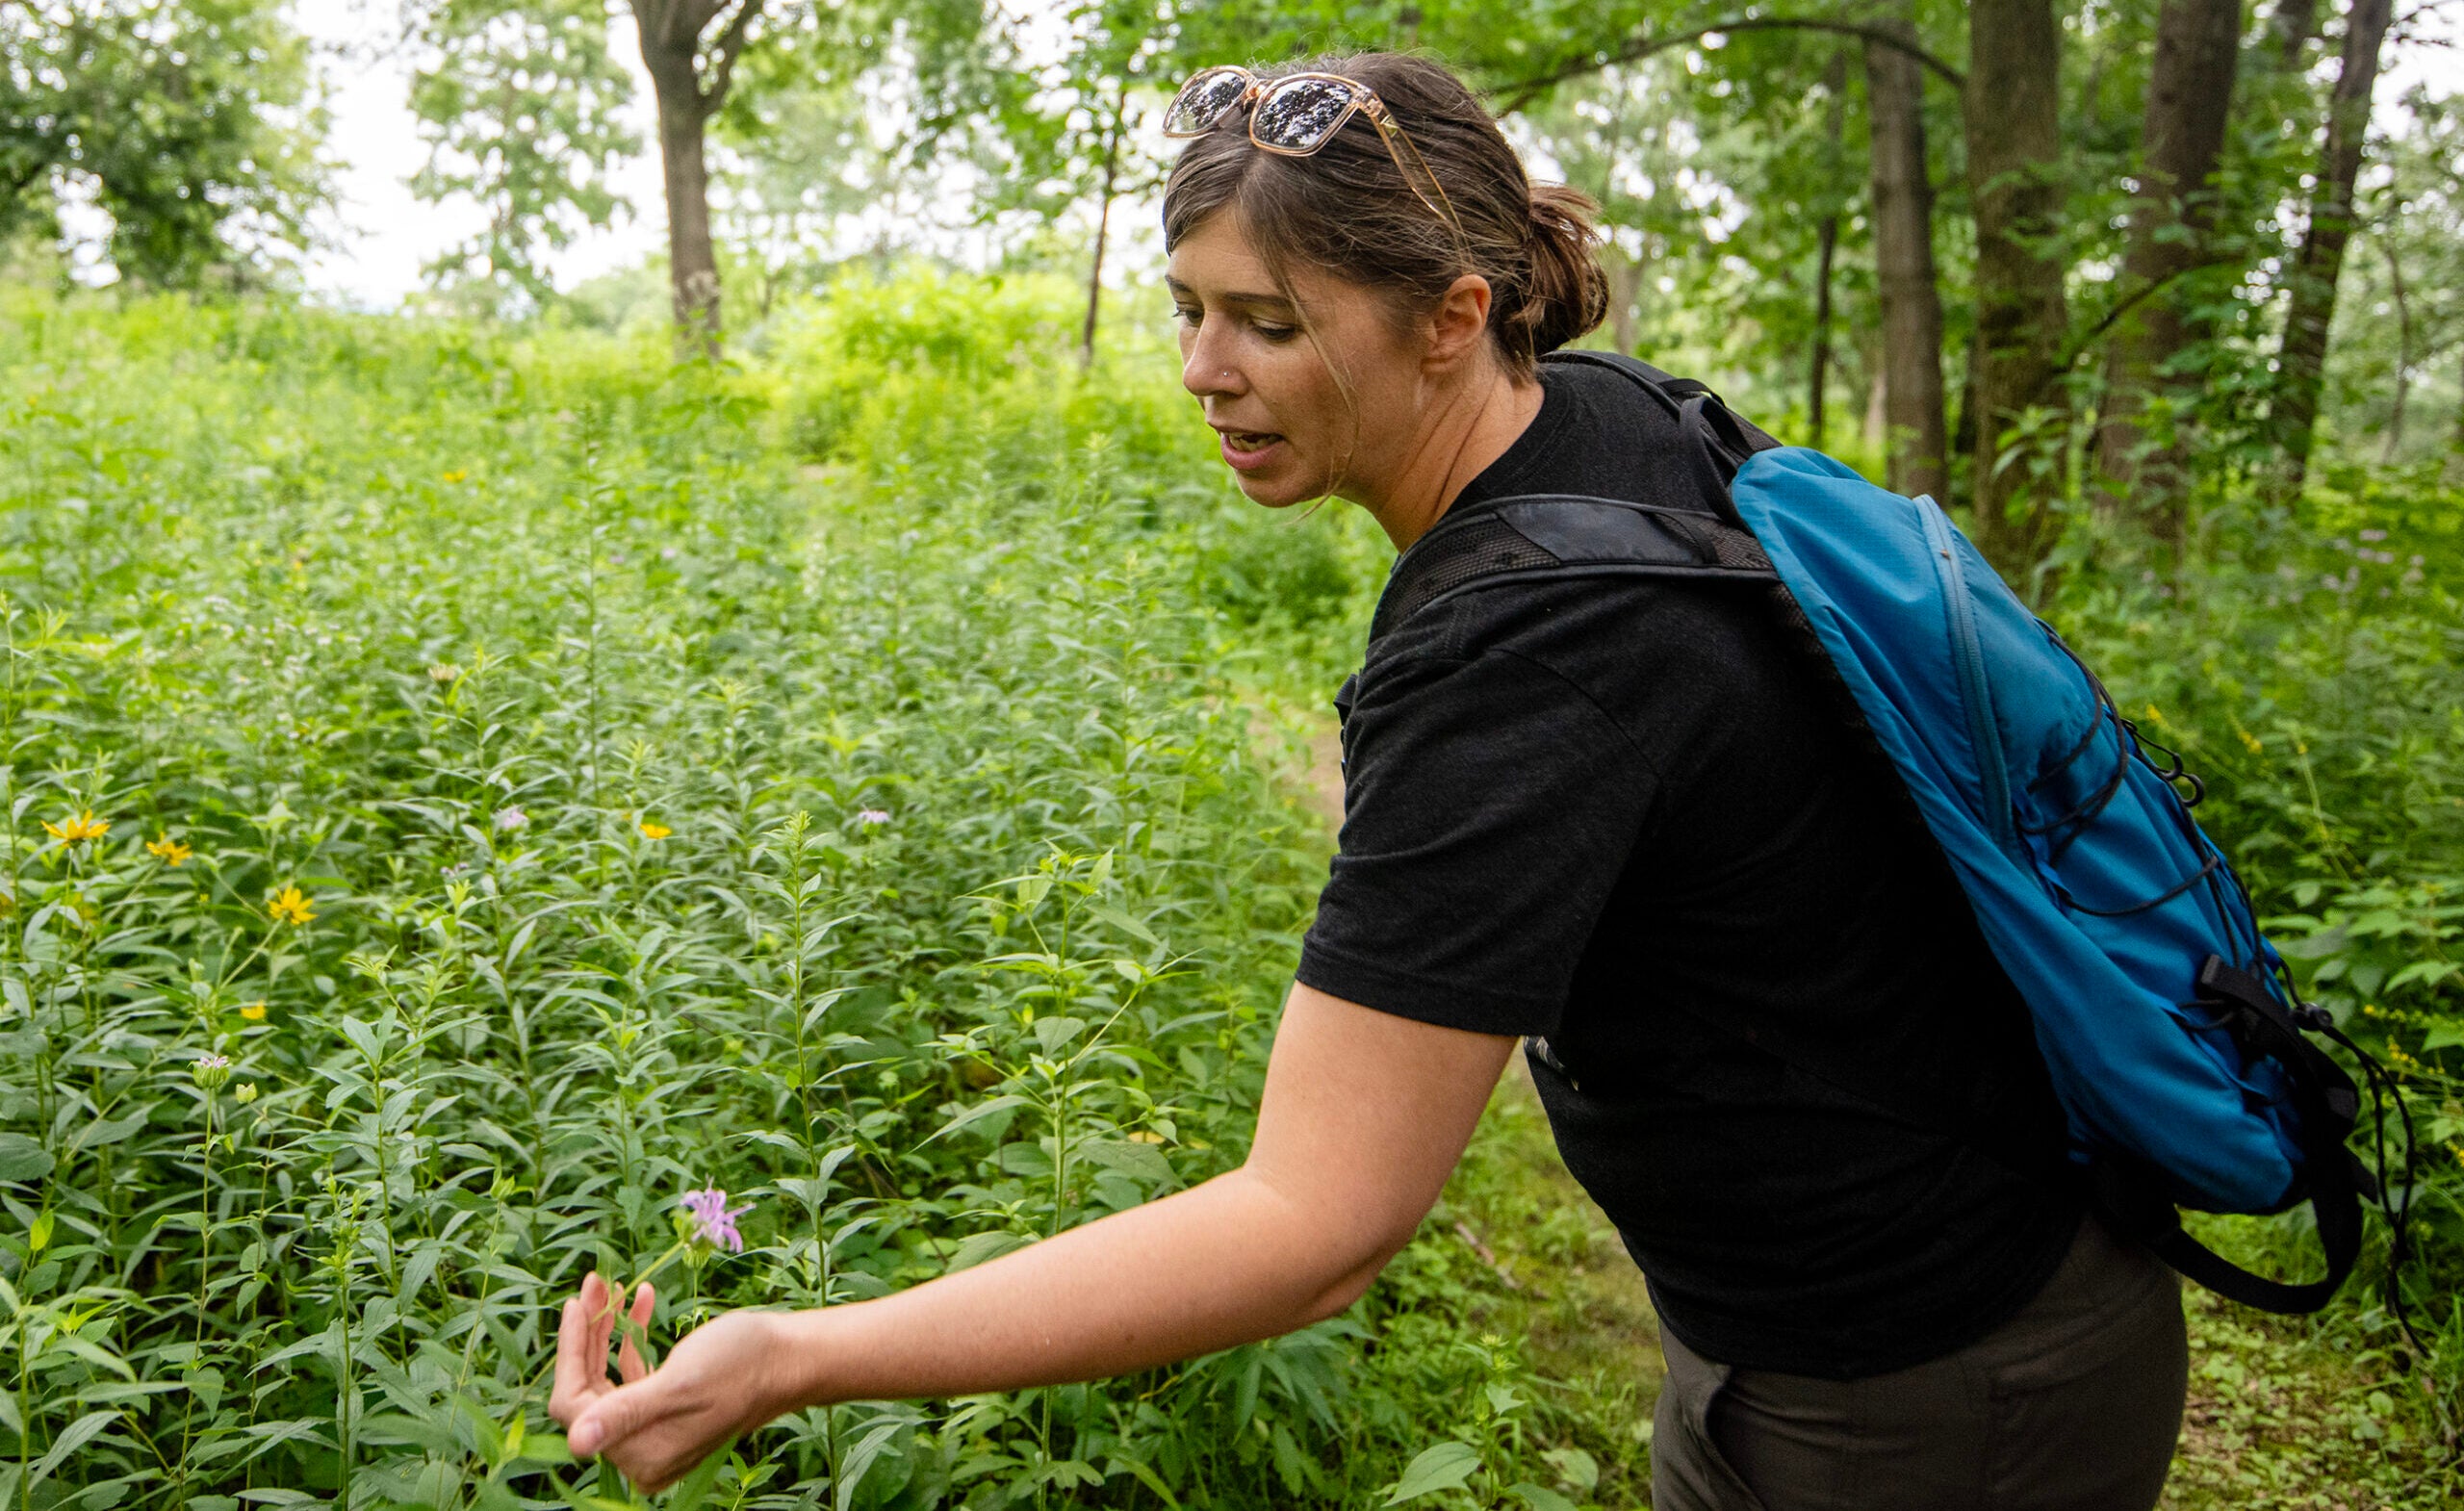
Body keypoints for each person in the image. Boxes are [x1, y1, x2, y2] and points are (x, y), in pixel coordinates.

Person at [549, 51, 2190, 1509]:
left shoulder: (1532, 651)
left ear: (1455, 316)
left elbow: (1315, 1223)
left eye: (1268, 322)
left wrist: (794, 1352)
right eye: (1189, 307)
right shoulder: (1607, 420)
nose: (1204, 366)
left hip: (1922, 1384)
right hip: (1945, 1280)